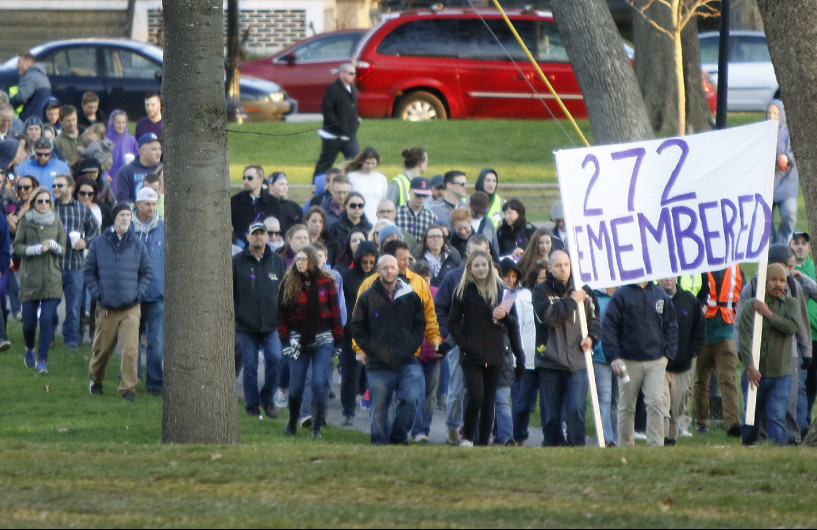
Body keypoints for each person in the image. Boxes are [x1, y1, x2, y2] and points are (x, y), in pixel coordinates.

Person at [448, 250, 524, 447]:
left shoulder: (503, 290)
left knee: (489, 400)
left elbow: (513, 324)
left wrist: (504, 317)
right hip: (471, 354)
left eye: (484, 265)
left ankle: (483, 443)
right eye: (477, 265)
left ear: (490, 267)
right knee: (476, 396)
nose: (481, 269)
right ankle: (468, 436)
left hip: (495, 352)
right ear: (470, 269)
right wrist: (464, 344)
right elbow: (452, 323)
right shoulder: (462, 291)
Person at [351, 254, 426, 445]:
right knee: (379, 409)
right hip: (378, 363)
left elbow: (420, 324)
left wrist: (412, 344)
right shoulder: (368, 297)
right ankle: (380, 444)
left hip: (407, 360)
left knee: (411, 399)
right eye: (385, 268)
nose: (390, 271)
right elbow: (357, 326)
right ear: (378, 272)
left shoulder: (411, 296)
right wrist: (372, 348)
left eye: (393, 267)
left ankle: (399, 438)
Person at [532, 250, 600, 446]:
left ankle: (576, 447)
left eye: (566, 264)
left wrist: (592, 338)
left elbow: (595, 319)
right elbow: (549, 317)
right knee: (551, 413)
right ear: (549, 269)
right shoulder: (541, 291)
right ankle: (553, 445)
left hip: (578, 360)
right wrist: (571, 301)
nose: (563, 269)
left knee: (576, 409)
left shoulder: (584, 290)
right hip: (550, 361)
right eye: (558, 265)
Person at [86, 202, 153, 401]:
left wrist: (138, 293)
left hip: (130, 307)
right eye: (121, 215)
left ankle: (128, 389)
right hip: (106, 307)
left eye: (127, 216)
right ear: (114, 219)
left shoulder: (137, 243)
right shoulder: (99, 243)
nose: (125, 219)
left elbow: (146, 272)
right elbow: (89, 271)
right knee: (102, 350)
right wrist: (98, 293)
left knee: (131, 350)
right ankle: (96, 379)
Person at [603, 278, 678, 446]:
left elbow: (671, 326)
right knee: (626, 405)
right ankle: (625, 446)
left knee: (656, 402)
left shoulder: (660, 295)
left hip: (656, 362)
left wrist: (667, 356)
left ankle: (655, 446)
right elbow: (609, 326)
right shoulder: (621, 295)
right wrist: (614, 357)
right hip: (627, 362)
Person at [278, 246, 344, 438]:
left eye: (303, 259)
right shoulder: (288, 283)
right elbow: (281, 316)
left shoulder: (327, 283)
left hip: (323, 337)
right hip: (297, 340)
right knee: (296, 386)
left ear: (312, 261)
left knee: (318, 382)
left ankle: (316, 426)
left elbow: (335, 313)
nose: (299, 262)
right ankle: (292, 421)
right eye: (297, 259)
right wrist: (284, 341)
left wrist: (338, 341)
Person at [434, 233, 492, 445]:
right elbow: (439, 306)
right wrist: (447, 330)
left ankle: (473, 431)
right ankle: (452, 425)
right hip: (459, 340)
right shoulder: (453, 278)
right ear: (466, 254)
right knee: (457, 388)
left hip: (485, 342)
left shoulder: (494, 280)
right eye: (473, 253)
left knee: (481, 391)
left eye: (482, 253)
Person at [739, 264, 801, 446]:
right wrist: (749, 366)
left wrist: (768, 314)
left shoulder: (791, 304)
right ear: (764, 282)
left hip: (781, 374)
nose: (778, 285)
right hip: (754, 374)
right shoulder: (752, 306)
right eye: (773, 280)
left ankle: (777, 453)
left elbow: (791, 327)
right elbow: (744, 338)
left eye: (782, 280)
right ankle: (747, 449)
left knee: (776, 415)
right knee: (750, 417)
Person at [233, 221, 286, 418]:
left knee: (275, 358)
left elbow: (283, 292)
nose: (258, 237)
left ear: (266, 237)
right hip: (246, 326)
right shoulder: (237, 262)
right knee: (250, 367)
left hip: (271, 324)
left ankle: (267, 398)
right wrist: (237, 316)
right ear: (247, 236)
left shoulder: (277, 262)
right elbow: (232, 292)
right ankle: (252, 406)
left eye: (262, 233)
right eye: (254, 233)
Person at [14, 186, 66, 374]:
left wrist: (54, 246)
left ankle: (42, 360)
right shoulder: (25, 222)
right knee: (29, 323)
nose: (44, 204)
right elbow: (17, 247)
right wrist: (33, 249)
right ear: (33, 202)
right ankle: (29, 348)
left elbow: (63, 247)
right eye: (40, 201)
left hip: (52, 278)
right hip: (30, 278)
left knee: (46, 320)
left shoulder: (56, 222)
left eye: (47, 201)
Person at [694, 266, 745, 436]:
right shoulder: (698, 265)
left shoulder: (737, 269)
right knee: (701, 382)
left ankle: (732, 424)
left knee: (727, 380)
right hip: (702, 335)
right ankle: (701, 422)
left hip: (726, 334)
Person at [53, 174, 98, 350]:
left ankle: (71, 341)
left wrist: (85, 242)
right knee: (51, 306)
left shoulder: (81, 209)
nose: (56, 188)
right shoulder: (49, 207)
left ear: (70, 188)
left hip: (75, 266)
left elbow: (95, 231)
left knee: (73, 308)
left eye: (60, 185)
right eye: (54, 185)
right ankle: (49, 337)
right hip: (53, 266)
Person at [658, 276, 705, 446]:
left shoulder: (689, 300)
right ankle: (659, 442)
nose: (668, 280)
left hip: (683, 365)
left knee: (676, 410)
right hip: (659, 364)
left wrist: (692, 353)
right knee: (661, 406)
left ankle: (671, 442)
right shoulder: (652, 298)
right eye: (664, 276)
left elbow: (699, 329)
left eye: (671, 275)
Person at [339, 241, 378, 425]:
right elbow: (345, 305)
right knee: (350, 373)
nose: (368, 265)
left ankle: (373, 407)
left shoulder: (378, 277)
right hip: (352, 331)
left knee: (373, 373)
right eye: (365, 262)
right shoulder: (347, 277)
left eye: (372, 262)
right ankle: (348, 410)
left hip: (373, 332)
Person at [132, 187, 165, 396]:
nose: (151, 208)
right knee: (131, 341)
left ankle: (155, 383)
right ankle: (131, 379)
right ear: (137, 204)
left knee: (156, 343)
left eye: (154, 204)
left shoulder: (164, 228)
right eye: (147, 204)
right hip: (132, 295)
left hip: (157, 294)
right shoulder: (128, 228)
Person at [409, 260, 441, 443]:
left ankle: (422, 429)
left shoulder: (437, 295)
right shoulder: (407, 295)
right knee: (420, 392)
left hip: (432, 352)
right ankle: (418, 429)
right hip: (416, 352)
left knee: (427, 393)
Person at [789, 231, 817, 436]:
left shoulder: (812, 268)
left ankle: (804, 419)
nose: (800, 247)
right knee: (800, 382)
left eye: (803, 243)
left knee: (812, 382)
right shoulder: (782, 268)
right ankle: (801, 425)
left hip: (814, 336)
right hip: (798, 337)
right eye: (796, 243)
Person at [313, 63, 359, 178]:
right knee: (325, 163)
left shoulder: (352, 89)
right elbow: (327, 110)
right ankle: (316, 187)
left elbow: (353, 110)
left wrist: (354, 125)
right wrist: (339, 126)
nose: (354, 76)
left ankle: (353, 184)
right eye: (351, 73)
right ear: (342, 74)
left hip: (349, 135)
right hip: (333, 136)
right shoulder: (332, 89)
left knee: (356, 161)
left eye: (354, 73)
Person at [591, 285, 618, 447]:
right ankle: (606, 438)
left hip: (622, 357)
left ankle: (618, 437)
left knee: (619, 401)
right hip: (601, 357)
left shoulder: (624, 296)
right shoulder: (595, 298)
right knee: (605, 399)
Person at [767, 100, 798, 245]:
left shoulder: (790, 132)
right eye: (769, 113)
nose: (772, 116)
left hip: (787, 182)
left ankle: (784, 243)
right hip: (768, 183)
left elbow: (798, 153)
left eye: (775, 113)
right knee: (765, 220)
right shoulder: (762, 132)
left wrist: (787, 157)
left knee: (789, 213)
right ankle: (772, 247)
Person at [230, 165, 282, 245]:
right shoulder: (235, 201)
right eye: (244, 178)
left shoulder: (273, 202)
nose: (246, 181)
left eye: (250, 178)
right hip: (241, 246)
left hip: (267, 246)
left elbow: (279, 226)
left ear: (260, 180)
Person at [115, 133, 162, 204]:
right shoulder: (126, 171)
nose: (158, 152)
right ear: (142, 151)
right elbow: (123, 199)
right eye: (154, 149)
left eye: (159, 149)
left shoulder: (163, 170)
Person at [345, 146, 387, 222]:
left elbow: (384, 201)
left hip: (377, 221)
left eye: (373, 163)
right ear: (362, 161)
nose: (370, 166)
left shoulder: (381, 178)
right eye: (367, 163)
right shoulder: (351, 177)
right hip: (357, 221)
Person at [415, 224, 461, 288]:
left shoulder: (453, 254)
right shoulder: (417, 255)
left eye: (439, 236)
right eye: (432, 236)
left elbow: (459, 276)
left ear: (443, 239)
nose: (436, 239)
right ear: (426, 240)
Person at [9, 53, 51, 121]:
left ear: (28, 62)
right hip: (41, 117)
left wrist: (9, 105)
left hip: (32, 119)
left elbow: (21, 96)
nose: (17, 65)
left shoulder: (31, 76)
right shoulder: (41, 75)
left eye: (19, 62)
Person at [395, 177, 437, 243]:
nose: (421, 198)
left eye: (425, 195)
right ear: (409, 192)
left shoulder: (431, 216)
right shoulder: (396, 213)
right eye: (418, 195)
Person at [106, 110, 138, 195]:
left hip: (127, 178)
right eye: (118, 122)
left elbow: (138, 158)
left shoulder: (131, 140)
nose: (121, 125)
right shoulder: (106, 140)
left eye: (123, 122)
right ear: (113, 123)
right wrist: (104, 175)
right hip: (111, 178)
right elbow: (100, 159)